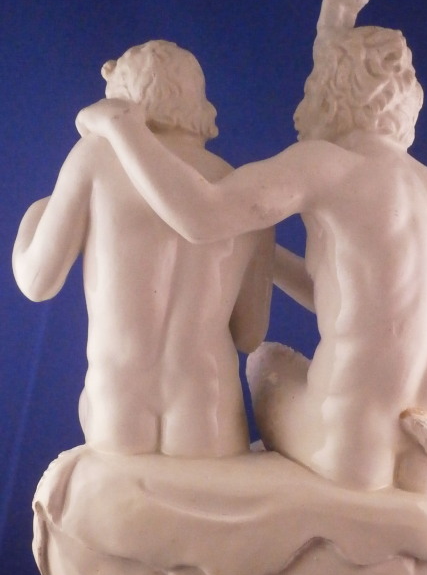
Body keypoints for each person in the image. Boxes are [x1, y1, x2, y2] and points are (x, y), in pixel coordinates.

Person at [74, 0, 427, 493]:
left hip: (350, 449)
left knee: (267, 361)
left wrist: (122, 130)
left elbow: (201, 215)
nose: (300, 109)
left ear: (331, 93)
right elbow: (365, 303)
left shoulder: (330, 163)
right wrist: (259, 258)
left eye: (312, 88)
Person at [13, 40, 273, 458]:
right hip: (209, 412)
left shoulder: (94, 158)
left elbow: (36, 281)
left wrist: (36, 213)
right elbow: (250, 334)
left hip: (119, 406)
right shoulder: (239, 191)